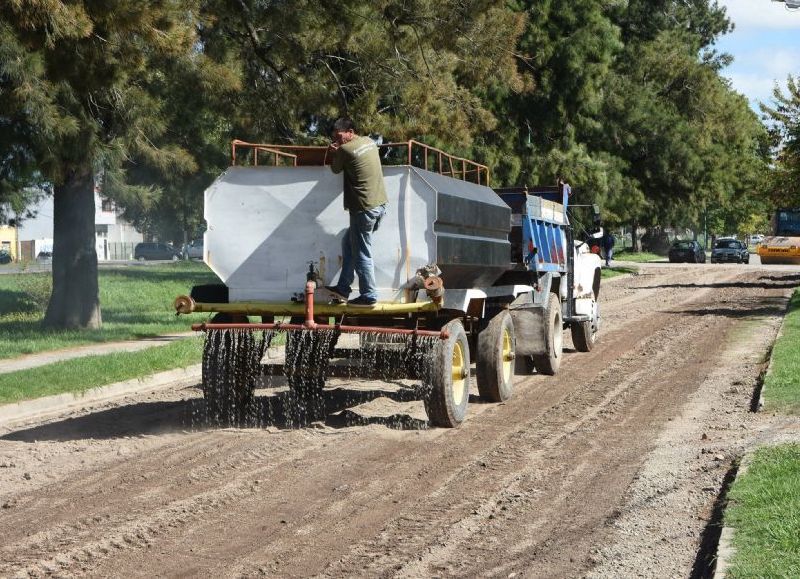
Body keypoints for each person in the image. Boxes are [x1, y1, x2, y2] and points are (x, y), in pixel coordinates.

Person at [324, 118, 388, 306]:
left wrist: (334, 153)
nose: (337, 140)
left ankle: (369, 295)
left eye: (339, 136)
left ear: (350, 132)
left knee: (362, 252)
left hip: (363, 208)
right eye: (334, 138)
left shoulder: (344, 150)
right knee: (348, 242)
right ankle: (343, 288)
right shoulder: (369, 142)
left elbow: (335, 169)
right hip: (380, 205)